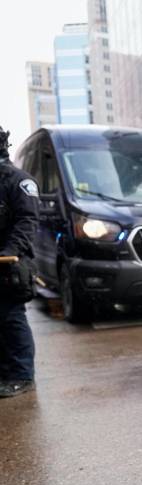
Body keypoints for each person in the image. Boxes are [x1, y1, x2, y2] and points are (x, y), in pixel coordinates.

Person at [0, 126, 39, 398]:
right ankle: (6, 372)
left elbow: (28, 221)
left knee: (11, 318)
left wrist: (9, 250)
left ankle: (22, 375)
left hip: (9, 263)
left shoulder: (17, 180)